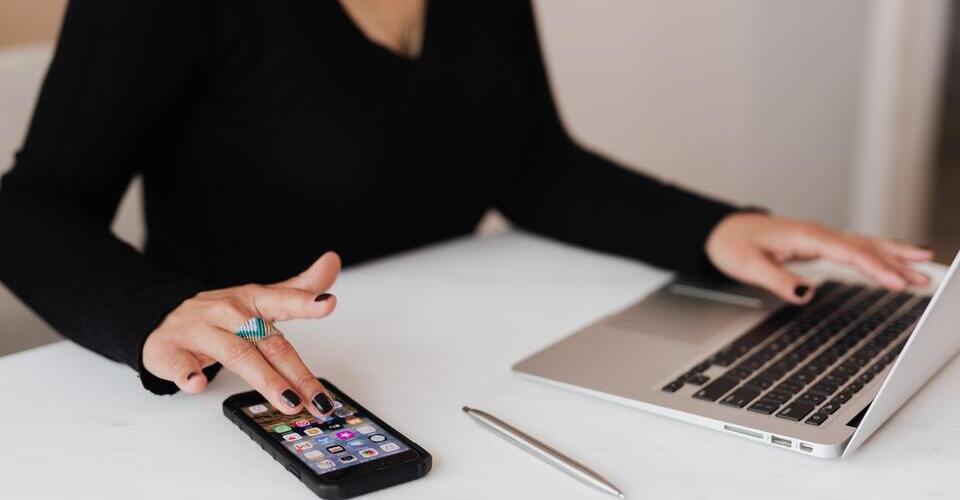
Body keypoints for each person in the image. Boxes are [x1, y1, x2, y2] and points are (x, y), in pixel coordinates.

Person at [0, 0, 932, 418]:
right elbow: (32, 207)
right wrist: (153, 314)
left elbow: (528, 162)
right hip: (259, 393)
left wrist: (717, 230)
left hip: (465, 369)